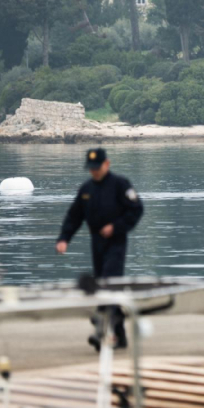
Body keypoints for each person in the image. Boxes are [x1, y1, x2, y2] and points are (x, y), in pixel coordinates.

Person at [56, 148, 144, 351]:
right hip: (96, 243)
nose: (94, 172)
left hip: (116, 242)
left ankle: (101, 331)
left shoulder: (120, 184)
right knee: (106, 287)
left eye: (97, 168)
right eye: (91, 168)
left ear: (107, 164)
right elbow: (74, 216)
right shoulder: (86, 189)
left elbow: (136, 209)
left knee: (107, 284)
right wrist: (64, 238)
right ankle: (120, 335)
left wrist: (116, 227)